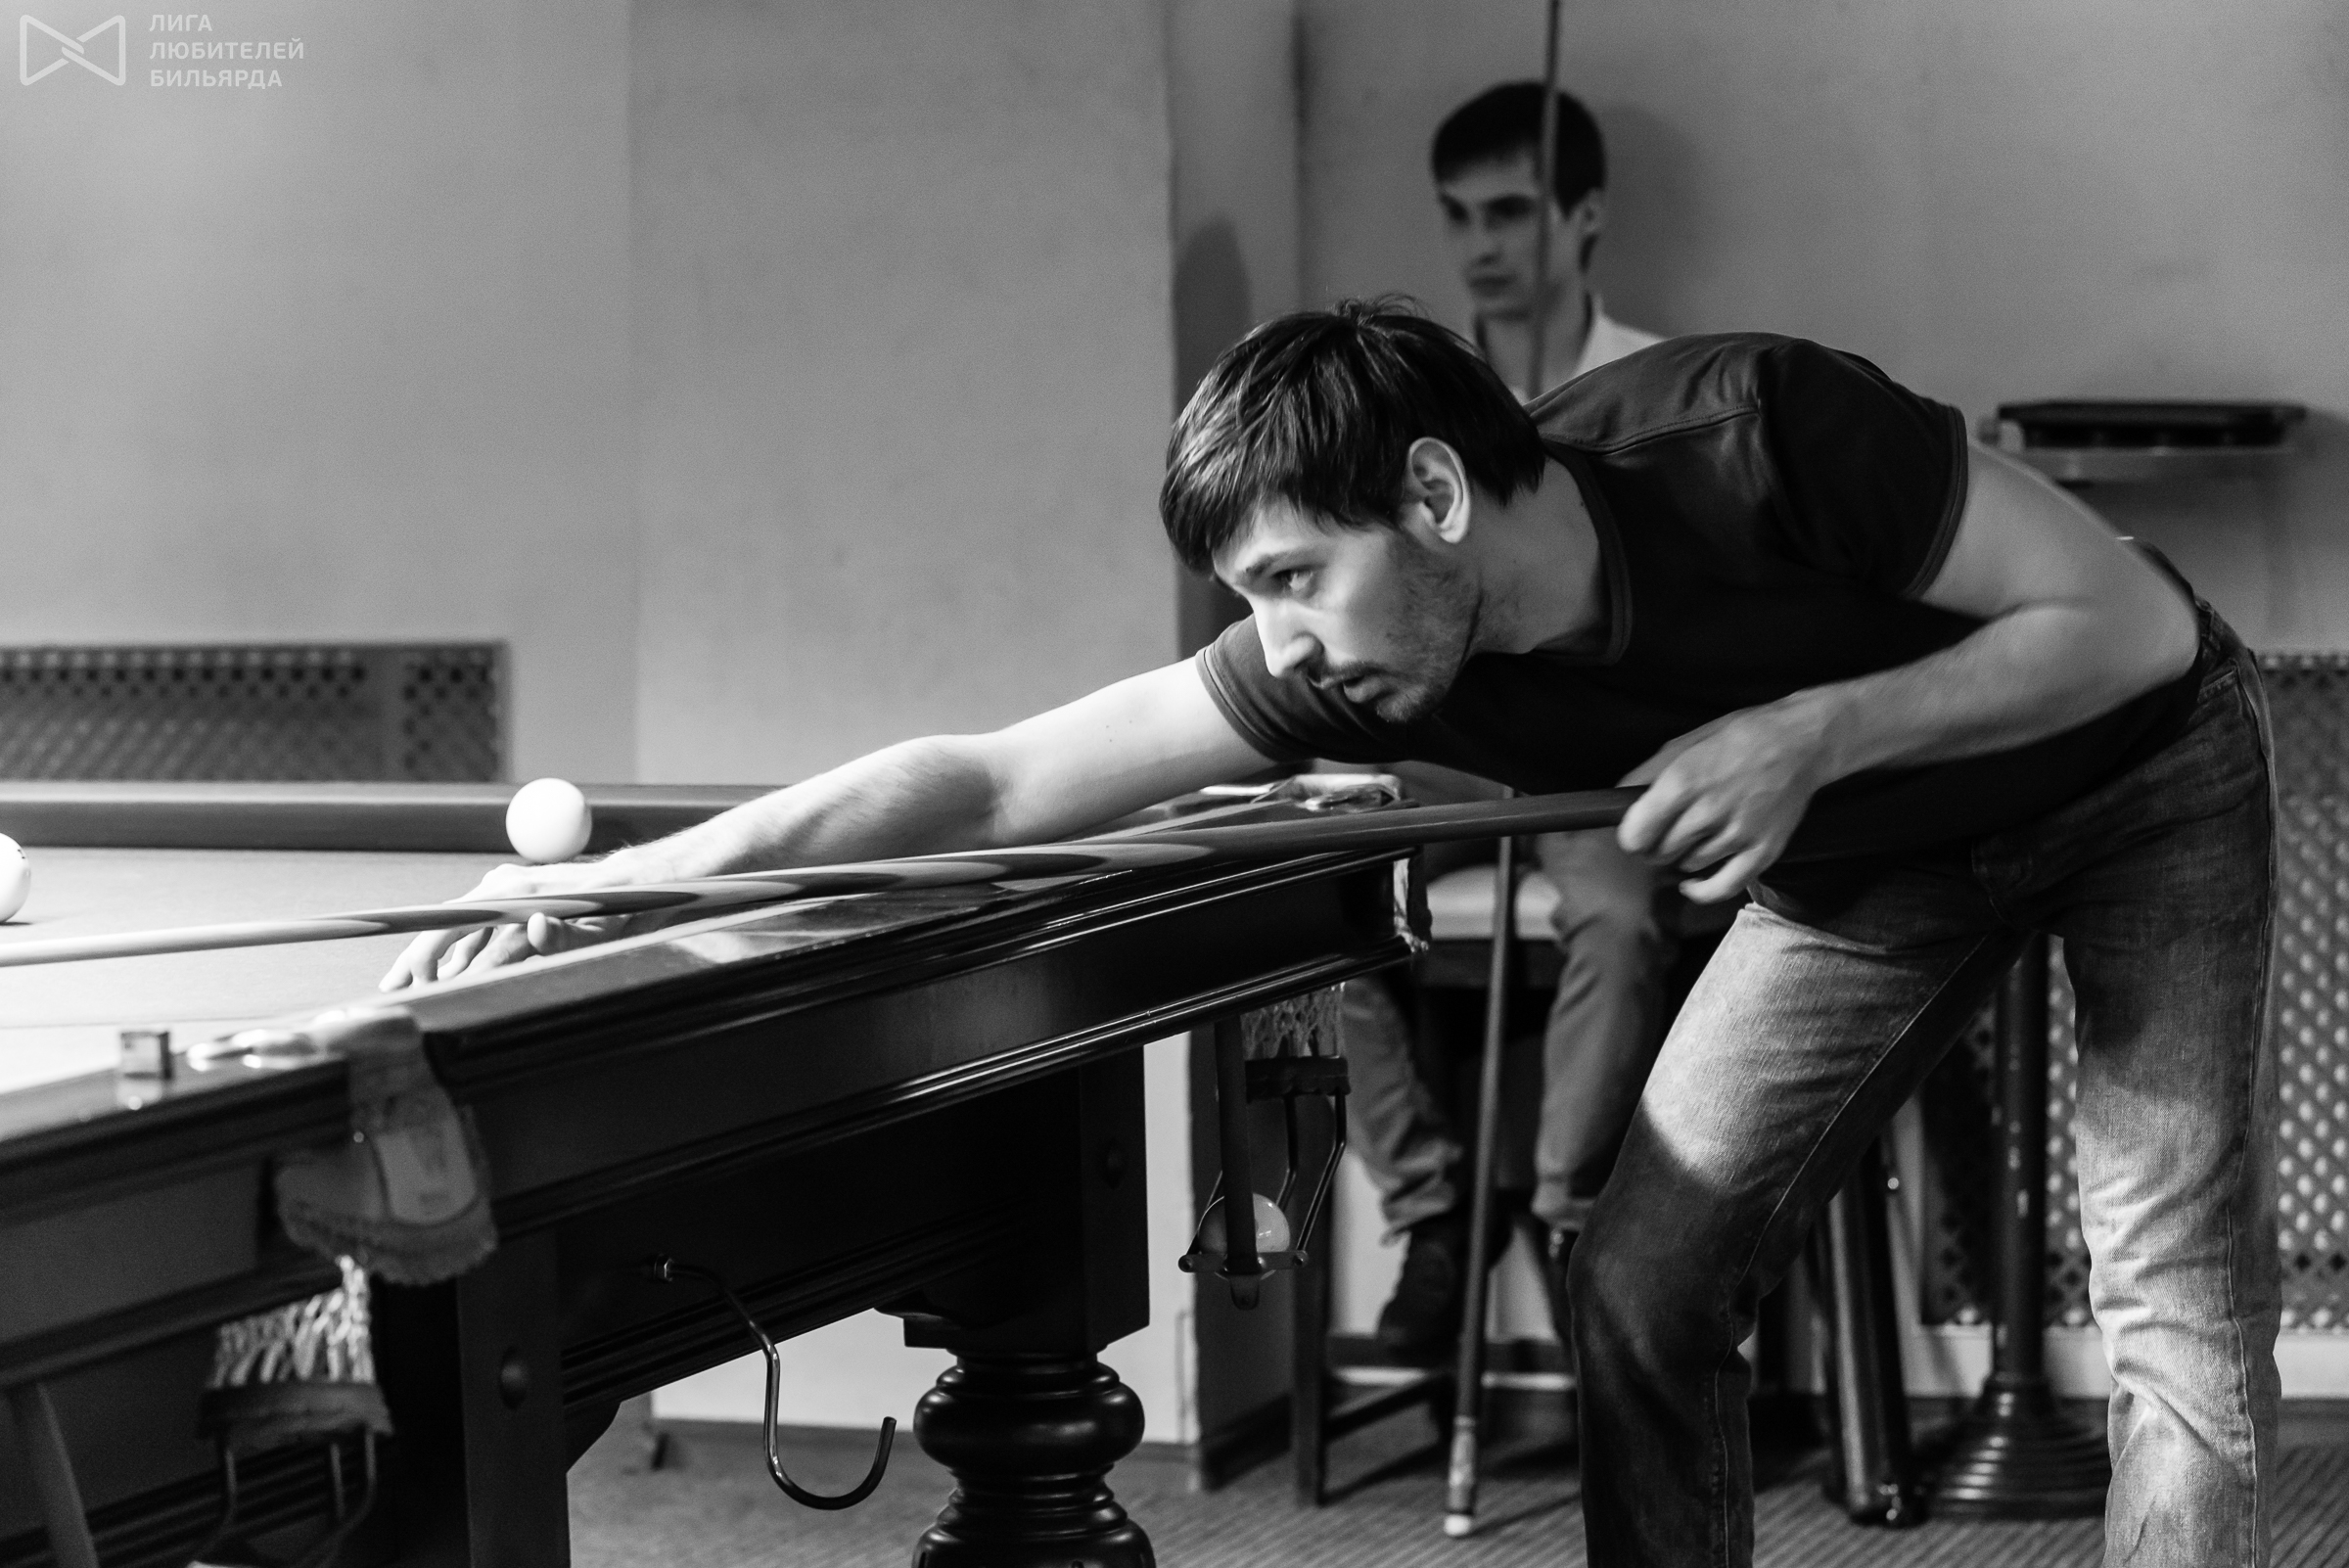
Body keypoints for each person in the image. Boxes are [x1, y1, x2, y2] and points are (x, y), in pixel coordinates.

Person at [390, 303, 2275, 1568]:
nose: (1278, 640)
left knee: (2168, 1299)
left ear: (1432, 496)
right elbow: (993, 776)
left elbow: (2125, 629)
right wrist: (629, 883)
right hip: (1878, 864)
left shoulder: (1756, 431)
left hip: (2140, 774)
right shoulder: (1359, 656)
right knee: (1642, 1279)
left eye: (1295, 574)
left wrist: (1813, 732)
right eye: (1253, 594)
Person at [1338, 80, 1689, 1360]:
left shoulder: (1656, 386)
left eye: (1509, 211)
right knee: (1308, 893)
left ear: (1583, 214)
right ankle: (1434, 1211)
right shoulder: (1406, 396)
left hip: (1598, 757)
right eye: (1458, 214)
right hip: (1448, 747)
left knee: (1621, 914)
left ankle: (1566, 1220)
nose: (1479, 243)